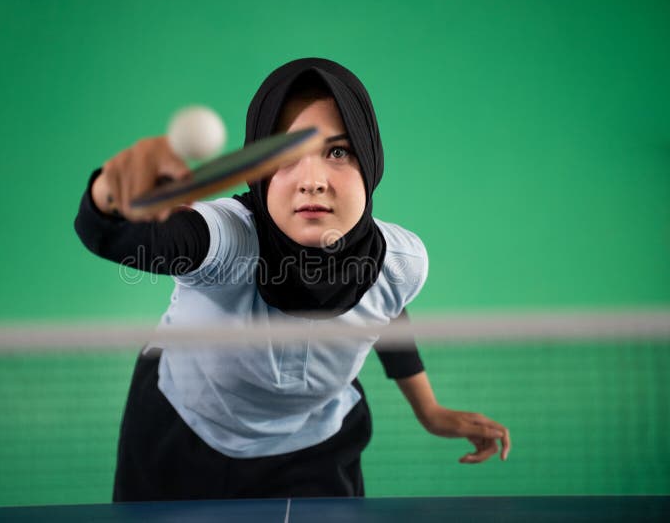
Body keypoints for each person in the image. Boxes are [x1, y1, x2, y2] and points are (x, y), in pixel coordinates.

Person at [74, 58, 510, 501]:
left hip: (313, 447)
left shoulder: (400, 260)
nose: (312, 182)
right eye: (284, 155)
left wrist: (428, 409)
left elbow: (385, 308)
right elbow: (128, 236)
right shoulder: (228, 240)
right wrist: (113, 194)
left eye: (338, 152)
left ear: (370, 159)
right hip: (183, 433)